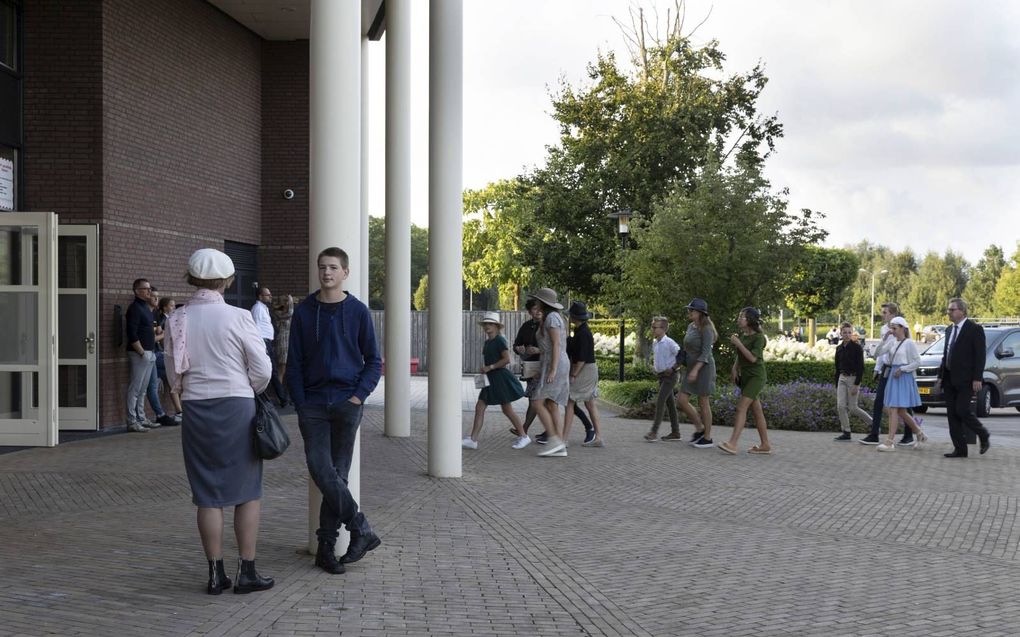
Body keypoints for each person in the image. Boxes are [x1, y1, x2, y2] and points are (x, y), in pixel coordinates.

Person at [163, 248, 274, 595]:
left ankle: (215, 574)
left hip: (196, 408)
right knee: (247, 492)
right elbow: (262, 369)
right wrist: (246, 388)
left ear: (191, 279)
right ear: (227, 281)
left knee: (207, 494)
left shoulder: (177, 319)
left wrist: (187, 392)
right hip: (237, 405)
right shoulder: (240, 317)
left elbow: (172, 373)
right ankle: (247, 572)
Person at [287, 247, 383, 574]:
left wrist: (358, 396)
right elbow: (294, 361)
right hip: (312, 404)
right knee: (320, 467)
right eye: (322, 267)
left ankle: (325, 548)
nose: (326, 273)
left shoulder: (357, 312)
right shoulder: (304, 312)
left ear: (345, 272)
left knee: (337, 476)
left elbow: (373, 361)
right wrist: (300, 402)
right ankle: (360, 527)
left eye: (332, 267)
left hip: (346, 402)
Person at [462, 312, 529, 450]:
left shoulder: (499, 340)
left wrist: (490, 367)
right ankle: (473, 439)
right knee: (480, 407)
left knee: (506, 409)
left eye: (490, 324)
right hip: (490, 378)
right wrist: (486, 368)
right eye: (486, 324)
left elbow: (507, 359)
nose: (487, 326)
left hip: (499, 378)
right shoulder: (488, 342)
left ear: (497, 326)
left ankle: (523, 436)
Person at [860, 303, 923, 445]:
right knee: (888, 405)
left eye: (885, 312)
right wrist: (877, 368)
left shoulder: (907, 340)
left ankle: (900, 438)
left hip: (902, 374)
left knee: (900, 407)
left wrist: (904, 369)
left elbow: (915, 358)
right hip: (889, 370)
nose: (882, 315)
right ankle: (878, 435)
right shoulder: (887, 335)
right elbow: (879, 354)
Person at [938, 298, 991, 458]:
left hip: (966, 379)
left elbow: (980, 356)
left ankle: (983, 434)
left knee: (962, 410)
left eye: (952, 310)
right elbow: (946, 355)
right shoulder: (948, 330)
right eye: (948, 310)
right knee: (952, 416)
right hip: (949, 378)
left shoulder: (974, 329)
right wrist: (941, 377)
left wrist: (977, 378)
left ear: (962, 311)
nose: (949, 312)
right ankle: (960, 449)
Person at [718, 307, 772, 455]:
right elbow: (740, 356)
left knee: (741, 408)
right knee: (757, 412)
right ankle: (765, 444)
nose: (739, 319)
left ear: (750, 320)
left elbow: (753, 358)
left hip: (756, 377)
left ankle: (733, 444)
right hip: (746, 377)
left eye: (742, 317)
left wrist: (738, 344)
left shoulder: (758, 338)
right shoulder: (743, 335)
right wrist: (735, 368)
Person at [525, 287, 570, 457]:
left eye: (537, 300)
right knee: (551, 404)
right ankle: (559, 445)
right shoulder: (549, 318)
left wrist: (552, 369)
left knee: (537, 401)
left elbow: (557, 345)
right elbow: (549, 347)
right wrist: (542, 368)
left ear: (543, 302)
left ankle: (554, 440)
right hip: (550, 363)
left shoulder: (552, 318)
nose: (535, 303)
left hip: (556, 365)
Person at [877, 317, 927, 451]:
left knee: (894, 409)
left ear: (902, 328)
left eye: (894, 328)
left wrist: (903, 369)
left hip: (903, 377)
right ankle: (919, 433)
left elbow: (917, 362)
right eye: (891, 328)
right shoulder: (892, 342)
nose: (892, 331)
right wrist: (884, 339)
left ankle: (889, 442)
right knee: (901, 411)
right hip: (894, 376)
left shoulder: (909, 343)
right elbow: (877, 353)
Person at [675, 298, 716, 448]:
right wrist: (679, 362)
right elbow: (687, 347)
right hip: (691, 367)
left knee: (703, 402)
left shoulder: (707, 329)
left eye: (691, 310)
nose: (689, 312)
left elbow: (705, 354)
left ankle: (707, 437)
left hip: (703, 368)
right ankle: (699, 428)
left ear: (700, 313)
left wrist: (695, 370)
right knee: (681, 400)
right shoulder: (691, 327)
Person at [562, 301, 604, 447]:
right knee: (589, 402)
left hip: (584, 370)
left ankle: (564, 439)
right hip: (587, 369)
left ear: (574, 317)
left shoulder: (583, 333)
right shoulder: (581, 331)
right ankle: (598, 437)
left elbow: (582, 358)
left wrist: (573, 374)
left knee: (570, 401)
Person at [125, 278, 158, 433]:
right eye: (146, 289)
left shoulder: (146, 308)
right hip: (140, 354)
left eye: (149, 288)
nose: (149, 291)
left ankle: (142, 418)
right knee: (135, 388)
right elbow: (131, 333)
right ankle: (132, 421)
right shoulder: (134, 309)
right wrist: (142, 352)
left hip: (150, 353)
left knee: (143, 389)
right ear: (137, 291)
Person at [833, 322, 872, 441]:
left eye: (849, 332)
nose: (847, 334)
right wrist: (837, 384)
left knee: (853, 408)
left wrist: (856, 384)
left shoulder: (857, 348)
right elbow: (837, 367)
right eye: (844, 332)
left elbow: (861, 367)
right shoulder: (838, 348)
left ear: (852, 333)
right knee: (840, 406)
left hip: (853, 379)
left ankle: (872, 423)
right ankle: (846, 431)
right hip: (842, 379)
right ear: (841, 333)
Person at [644, 316, 680, 442]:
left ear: (663, 329)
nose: (652, 329)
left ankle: (654, 432)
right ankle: (676, 432)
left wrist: (674, 368)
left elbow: (681, 356)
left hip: (670, 377)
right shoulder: (655, 343)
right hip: (661, 377)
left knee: (660, 401)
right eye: (652, 327)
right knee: (670, 405)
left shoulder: (669, 342)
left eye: (655, 327)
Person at [252, 287, 289, 407]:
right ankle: (282, 398)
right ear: (260, 296)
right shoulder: (258, 309)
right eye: (268, 295)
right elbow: (256, 328)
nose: (270, 297)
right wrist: (261, 345)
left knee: (272, 370)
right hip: (263, 342)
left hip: (267, 342)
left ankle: (281, 398)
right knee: (272, 371)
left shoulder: (264, 308)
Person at [142, 286, 172, 428]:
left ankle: (162, 414)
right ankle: (159, 415)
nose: (156, 299)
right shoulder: (144, 313)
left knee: (173, 370)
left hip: (155, 353)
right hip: (148, 353)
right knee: (143, 388)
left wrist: (159, 333)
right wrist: (163, 334)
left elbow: (156, 335)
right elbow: (149, 338)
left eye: (157, 296)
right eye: (153, 296)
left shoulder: (154, 314)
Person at [154, 296, 183, 423]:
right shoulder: (163, 319)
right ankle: (179, 411)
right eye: (171, 306)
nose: (173, 308)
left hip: (164, 354)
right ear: (165, 307)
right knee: (175, 380)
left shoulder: (169, 319)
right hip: (161, 354)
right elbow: (161, 338)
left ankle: (181, 410)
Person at [272, 293, 295, 385]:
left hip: (287, 340)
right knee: (282, 367)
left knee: (284, 368)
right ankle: (279, 391)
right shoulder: (279, 313)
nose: (286, 303)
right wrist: (291, 302)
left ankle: (283, 390)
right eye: (284, 301)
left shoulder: (284, 313)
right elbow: (290, 312)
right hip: (282, 340)